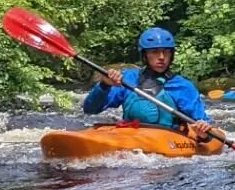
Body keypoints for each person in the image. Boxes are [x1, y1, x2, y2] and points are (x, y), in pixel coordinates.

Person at [81, 27, 216, 143]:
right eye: (155, 51)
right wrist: (104, 85)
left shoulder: (182, 86)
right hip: (130, 136)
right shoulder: (128, 78)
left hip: (168, 140)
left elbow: (203, 125)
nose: (162, 57)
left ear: (172, 54)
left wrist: (203, 132)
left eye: (166, 52)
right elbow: (90, 109)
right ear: (145, 55)